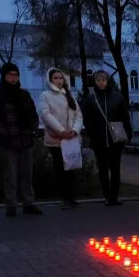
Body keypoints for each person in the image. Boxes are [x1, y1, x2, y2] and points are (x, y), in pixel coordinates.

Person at [0, 62, 43, 217]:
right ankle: (11, 204)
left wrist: (33, 129)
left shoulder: (24, 94)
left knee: (27, 173)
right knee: (10, 174)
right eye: (10, 74)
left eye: (16, 75)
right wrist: (3, 133)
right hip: (8, 140)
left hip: (26, 139)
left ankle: (28, 202)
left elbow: (33, 114)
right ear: (4, 76)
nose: (13, 78)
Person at [82, 71, 132, 206]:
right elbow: (87, 119)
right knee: (103, 169)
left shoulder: (117, 98)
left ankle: (114, 196)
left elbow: (125, 118)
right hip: (99, 141)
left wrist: (128, 135)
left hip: (115, 139)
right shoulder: (91, 99)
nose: (101, 83)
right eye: (98, 80)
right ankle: (107, 196)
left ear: (108, 81)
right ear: (95, 81)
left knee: (116, 169)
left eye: (103, 80)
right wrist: (92, 134)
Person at [39, 68, 84, 210]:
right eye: (55, 78)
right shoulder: (45, 95)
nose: (59, 81)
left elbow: (78, 115)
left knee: (72, 169)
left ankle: (72, 198)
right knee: (61, 169)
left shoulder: (69, 95)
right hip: (56, 140)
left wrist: (74, 130)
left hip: (71, 139)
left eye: (61, 78)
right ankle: (64, 198)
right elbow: (46, 115)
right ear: (50, 80)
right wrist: (62, 131)